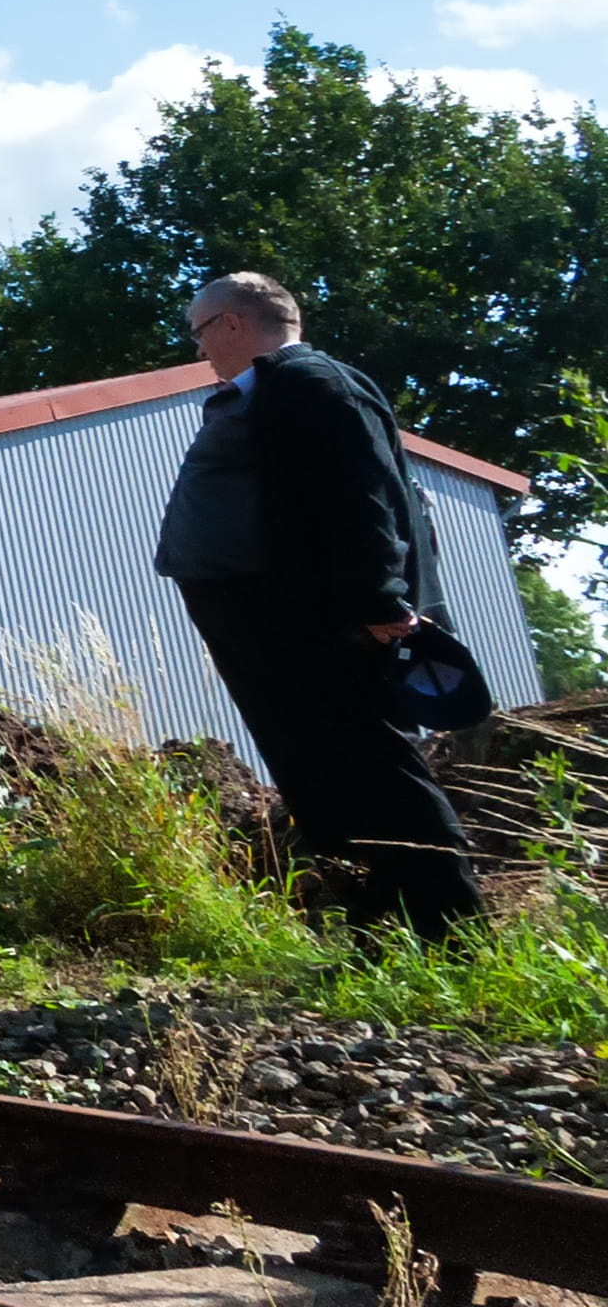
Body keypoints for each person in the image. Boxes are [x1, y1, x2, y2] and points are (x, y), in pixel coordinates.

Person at [152, 271, 484, 938]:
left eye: (199, 333)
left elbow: (360, 494)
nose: (198, 351)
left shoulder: (311, 384)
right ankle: (376, 928)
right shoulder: (272, 390)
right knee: (319, 773)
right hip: (273, 624)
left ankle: (453, 930)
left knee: (369, 763)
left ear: (233, 324)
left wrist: (379, 599)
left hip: (318, 623)